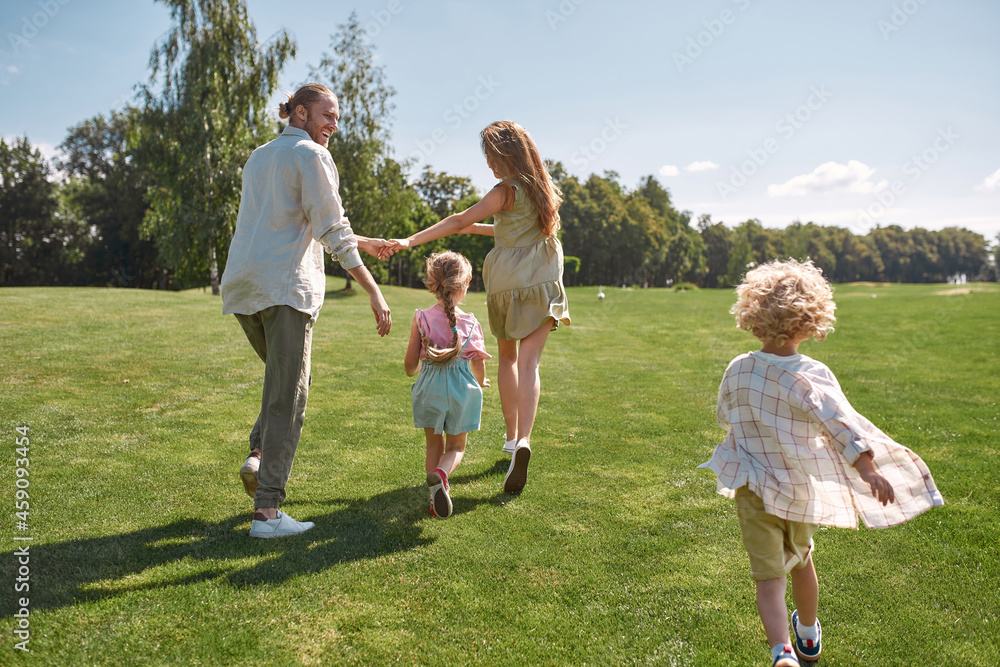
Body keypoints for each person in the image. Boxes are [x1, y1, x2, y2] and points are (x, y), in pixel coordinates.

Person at [698, 259, 943, 666]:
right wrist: (866, 468)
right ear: (811, 321)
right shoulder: (811, 375)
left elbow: (725, 413)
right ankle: (808, 635)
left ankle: (782, 651)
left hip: (754, 492)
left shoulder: (739, 369)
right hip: (799, 491)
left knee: (769, 578)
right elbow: (841, 424)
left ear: (752, 314)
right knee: (802, 560)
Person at [221, 83, 392, 539]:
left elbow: (293, 220)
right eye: (326, 115)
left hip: (244, 286)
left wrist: (366, 242)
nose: (333, 124)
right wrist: (374, 292)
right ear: (299, 113)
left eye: (336, 117)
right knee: (290, 395)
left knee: (287, 381)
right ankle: (267, 513)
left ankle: (257, 455)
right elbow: (332, 228)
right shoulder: (313, 156)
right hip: (284, 289)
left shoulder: (259, 156)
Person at [385, 121, 570, 493]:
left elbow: (456, 221)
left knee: (508, 359)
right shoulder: (543, 189)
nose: (489, 165)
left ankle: (510, 432)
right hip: (545, 278)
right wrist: (483, 228)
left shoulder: (504, 190)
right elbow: (522, 231)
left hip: (507, 282)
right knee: (531, 362)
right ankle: (523, 441)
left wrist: (410, 240)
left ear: (506, 155)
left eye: (491, 157)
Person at [404, 251, 491, 518]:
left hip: (429, 387)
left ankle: (435, 497)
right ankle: (441, 474)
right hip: (461, 390)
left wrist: (422, 369)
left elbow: (409, 367)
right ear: (463, 286)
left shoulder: (421, 318)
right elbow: (478, 364)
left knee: (434, 445)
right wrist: (480, 381)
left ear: (432, 282)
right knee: (456, 447)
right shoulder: (472, 322)